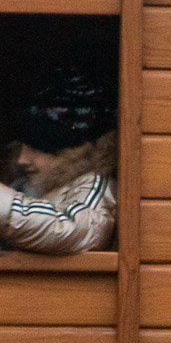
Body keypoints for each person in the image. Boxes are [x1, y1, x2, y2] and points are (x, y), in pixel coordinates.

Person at [0, 66, 117, 254]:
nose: (22, 159)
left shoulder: (94, 186)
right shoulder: (22, 186)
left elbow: (70, 228)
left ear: (73, 151)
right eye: (21, 146)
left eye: (37, 146)